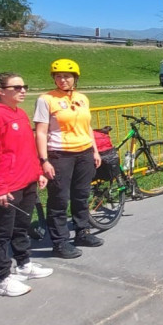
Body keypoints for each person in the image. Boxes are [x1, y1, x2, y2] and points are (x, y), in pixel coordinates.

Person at [0, 72, 52, 297]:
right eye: (17, 87)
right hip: (6, 186)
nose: (23, 91)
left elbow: (27, 148)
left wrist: (38, 171)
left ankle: (23, 264)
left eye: (24, 86)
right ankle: (2, 278)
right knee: (1, 232)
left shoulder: (19, 113)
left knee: (21, 226)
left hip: (26, 180)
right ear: (0, 91)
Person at [34, 59, 103, 259]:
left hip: (84, 152)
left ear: (75, 78)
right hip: (60, 154)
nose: (62, 79)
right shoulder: (46, 99)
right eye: (58, 76)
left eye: (67, 76)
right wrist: (44, 160)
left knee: (81, 195)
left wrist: (95, 150)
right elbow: (40, 132)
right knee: (59, 199)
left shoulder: (82, 98)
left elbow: (87, 126)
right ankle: (60, 242)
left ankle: (82, 232)